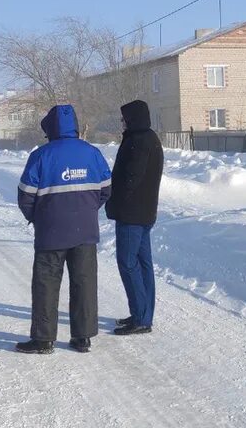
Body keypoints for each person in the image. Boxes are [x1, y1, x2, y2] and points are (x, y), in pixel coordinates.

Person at [15, 104, 112, 354]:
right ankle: (83, 337)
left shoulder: (41, 156)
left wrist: (38, 217)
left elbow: (26, 196)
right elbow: (105, 189)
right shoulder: (92, 153)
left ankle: (44, 340)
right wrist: (88, 210)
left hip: (50, 233)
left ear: (50, 127)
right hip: (85, 232)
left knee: (46, 285)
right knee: (84, 283)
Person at [105, 99, 164, 336]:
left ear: (133, 118)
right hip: (145, 212)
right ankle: (143, 314)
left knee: (127, 263)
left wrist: (114, 198)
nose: (122, 122)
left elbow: (132, 178)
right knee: (143, 264)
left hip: (132, 213)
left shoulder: (137, 142)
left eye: (124, 118)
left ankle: (140, 318)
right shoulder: (149, 137)